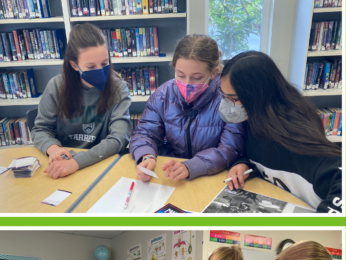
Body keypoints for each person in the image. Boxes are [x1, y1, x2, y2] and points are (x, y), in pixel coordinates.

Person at [219, 51, 342, 214]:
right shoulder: (254, 122)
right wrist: (244, 164)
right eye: (225, 97)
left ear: (256, 96)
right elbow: (262, 162)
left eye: (234, 99)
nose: (228, 104)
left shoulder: (296, 133)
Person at [130, 34, 244, 182]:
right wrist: (146, 155)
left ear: (213, 73)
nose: (188, 83)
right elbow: (145, 133)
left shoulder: (229, 98)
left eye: (197, 78)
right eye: (180, 75)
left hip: (212, 176)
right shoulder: (163, 95)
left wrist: (192, 166)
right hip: (171, 174)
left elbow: (229, 149)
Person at [31, 23, 131, 179]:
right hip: (63, 164)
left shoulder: (119, 88)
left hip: (100, 164)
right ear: (74, 65)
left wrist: (77, 162)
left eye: (104, 64)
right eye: (91, 66)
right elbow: (41, 129)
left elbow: (119, 138)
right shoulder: (56, 86)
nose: (100, 71)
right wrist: (53, 148)